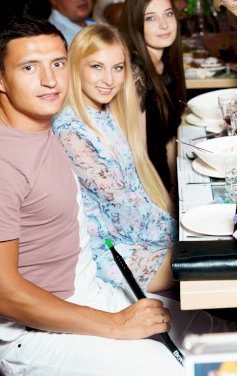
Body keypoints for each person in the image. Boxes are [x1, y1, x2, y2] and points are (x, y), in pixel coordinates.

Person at [0, 17, 188, 376]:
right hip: (37, 340)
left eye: (57, 63)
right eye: (28, 67)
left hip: (92, 295)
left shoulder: (41, 121)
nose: (50, 80)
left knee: (232, 343)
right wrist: (115, 324)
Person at [52, 24, 177, 294]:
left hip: (139, 235)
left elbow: (137, 182)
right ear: (76, 68)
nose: (109, 79)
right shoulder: (70, 129)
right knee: (211, 266)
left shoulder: (108, 110)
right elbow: (122, 209)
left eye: (117, 68)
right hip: (112, 253)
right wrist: (181, 232)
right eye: (97, 67)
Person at [119, 0, 186, 194]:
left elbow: (169, 139)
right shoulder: (135, 72)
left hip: (163, 179)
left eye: (168, 14)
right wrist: (166, 201)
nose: (164, 25)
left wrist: (176, 191)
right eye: (150, 18)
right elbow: (139, 153)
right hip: (144, 188)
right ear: (135, 24)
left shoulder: (166, 64)